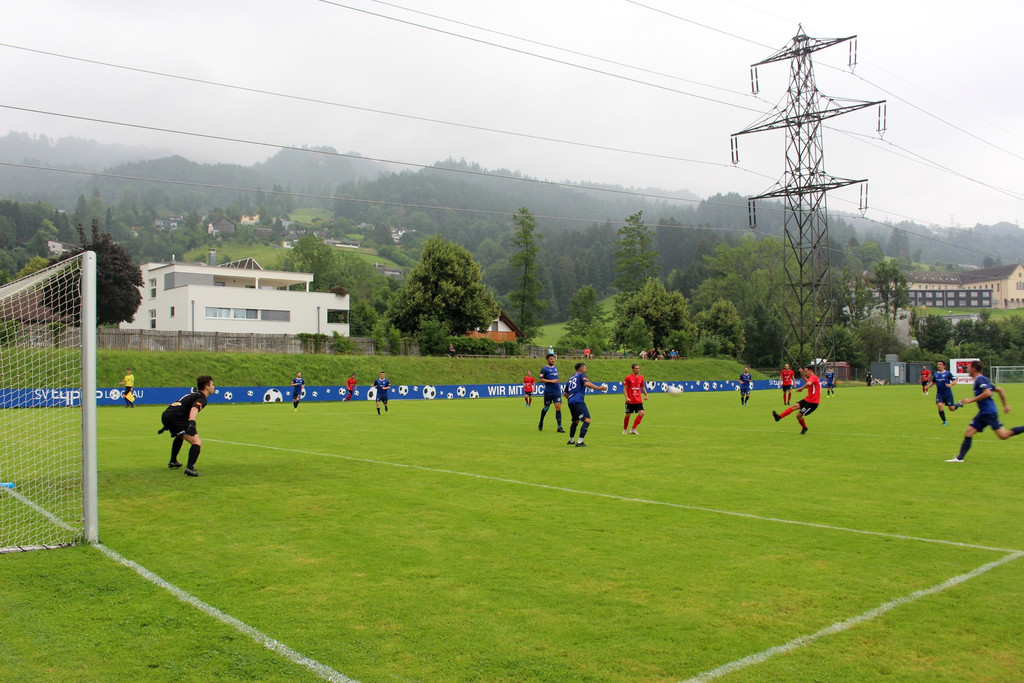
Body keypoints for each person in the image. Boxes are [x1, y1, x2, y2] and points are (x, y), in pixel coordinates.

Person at [946, 360, 1024, 462]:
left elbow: (987, 393)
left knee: (1003, 435)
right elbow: (1000, 390)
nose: (967, 369)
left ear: (974, 368)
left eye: (969, 367)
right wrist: (1005, 405)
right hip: (984, 413)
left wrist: (970, 400)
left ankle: (960, 458)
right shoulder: (982, 380)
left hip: (988, 413)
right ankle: (959, 458)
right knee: (969, 432)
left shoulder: (980, 379)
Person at [158, 375, 215, 476]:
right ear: (207, 386)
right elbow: (194, 408)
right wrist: (192, 423)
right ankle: (190, 468)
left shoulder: (193, 395)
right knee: (197, 442)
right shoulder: (201, 398)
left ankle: (173, 461)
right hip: (176, 418)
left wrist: (167, 424)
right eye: (212, 385)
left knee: (180, 436)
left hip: (167, 414)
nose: (213, 387)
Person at [564, 362, 609, 447]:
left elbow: (565, 393)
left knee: (576, 421)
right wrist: (599, 388)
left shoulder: (571, 378)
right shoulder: (582, 375)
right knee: (587, 420)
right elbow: (586, 383)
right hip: (578, 401)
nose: (585, 369)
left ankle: (571, 440)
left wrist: (571, 399)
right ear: (581, 369)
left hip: (571, 401)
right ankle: (580, 442)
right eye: (585, 368)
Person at [773, 365, 820, 434]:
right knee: (794, 406)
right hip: (807, 399)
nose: (805, 373)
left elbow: (808, 383)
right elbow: (807, 382)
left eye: (806, 372)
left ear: (811, 371)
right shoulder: (812, 378)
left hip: (813, 403)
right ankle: (779, 417)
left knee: (798, 415)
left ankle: (804, 427)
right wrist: (802, 374)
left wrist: (801, 388)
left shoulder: (813, 377)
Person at [538, 353, 565, 433]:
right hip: (548, 391)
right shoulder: (544, 369)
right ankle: (541, 420)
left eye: (553, 359)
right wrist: (551, 381)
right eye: (551, 359)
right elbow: (541, 379)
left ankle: (559, 427)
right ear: (547, 360)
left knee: (558, 407)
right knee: (546, 408)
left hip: (556, 391)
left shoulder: (555, 368)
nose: (553, 360)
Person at [927, 360, 958, 425]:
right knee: (939, 405)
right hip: (939, 394)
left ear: (944, 366)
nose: (938, 365)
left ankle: (959, 404)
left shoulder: (948, 373)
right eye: (938, 364)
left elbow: (954, 381)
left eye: (940, 364)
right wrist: (928, 386)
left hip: (947, 394)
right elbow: (933, 382)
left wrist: (950, 385)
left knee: (951, 408)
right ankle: (945, 421)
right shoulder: (936, 374)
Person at [622, 363, 649, 434]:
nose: (638, 370)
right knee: (628, 415)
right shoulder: (628, 377)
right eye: (636, 368)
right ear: (633, 369)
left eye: (638, 368)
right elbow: (625, 388)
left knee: (642, 413)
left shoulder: (641, 377)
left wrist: (646, 394)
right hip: (630, 400)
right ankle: (625, 429)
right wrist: (627, 397)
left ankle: (633, 429)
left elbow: (642, 387)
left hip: (638, 400)